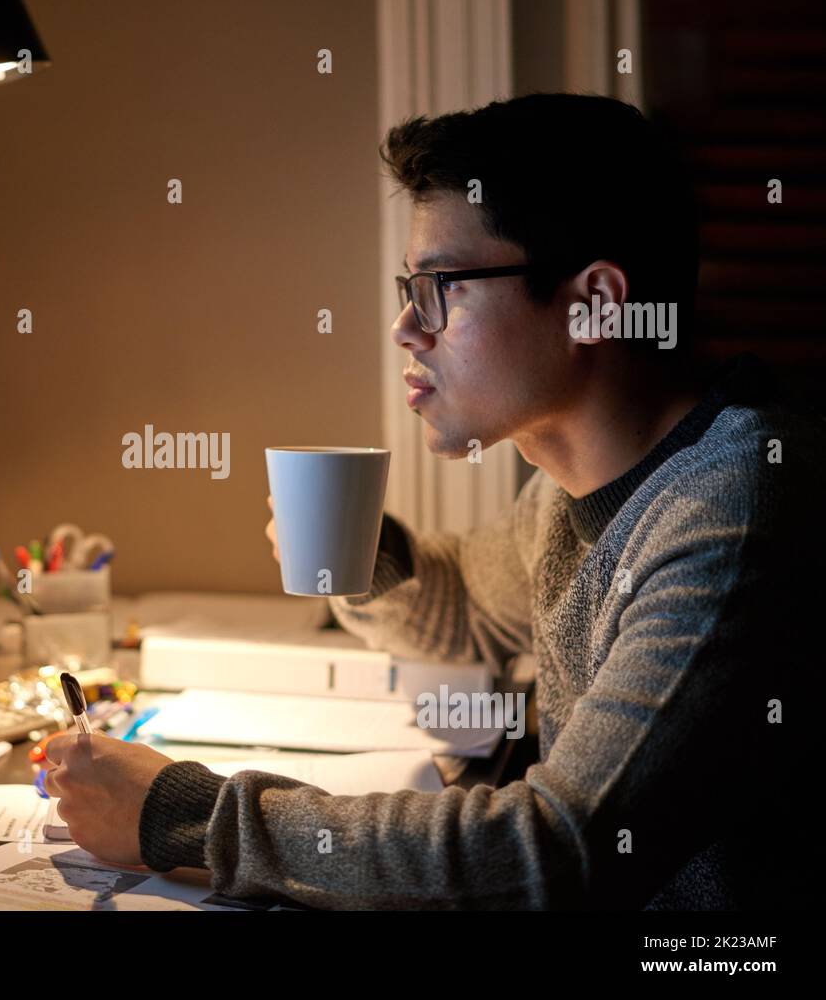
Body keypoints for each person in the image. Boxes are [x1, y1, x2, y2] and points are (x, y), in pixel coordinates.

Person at [43, 93, 817, 909]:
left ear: (594, 302)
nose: (407, 327)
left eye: (442, 285)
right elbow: (472, 606)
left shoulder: (735, 512)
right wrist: (366, 556)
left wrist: (185, 814)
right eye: (408, 287)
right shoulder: (578, 486)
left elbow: (552, 850)